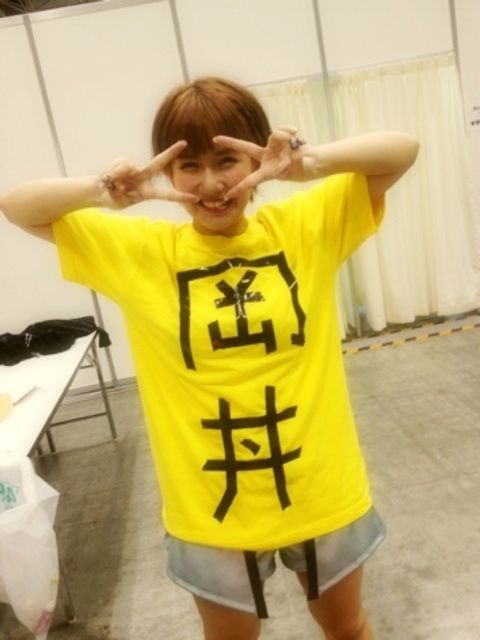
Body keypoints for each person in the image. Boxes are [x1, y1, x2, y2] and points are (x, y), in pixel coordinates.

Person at [0, 77, 419, 640]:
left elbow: (402, 150)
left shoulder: (305, 229)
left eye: (227, 160)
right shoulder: (143, 253)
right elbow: (16, 206)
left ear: (255, 158)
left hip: (320, 486)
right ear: (169, 173)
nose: (212, 183)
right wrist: (104, 192)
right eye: (189, 165)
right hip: (211, 505)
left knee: (347, 629)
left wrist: (307, 163)